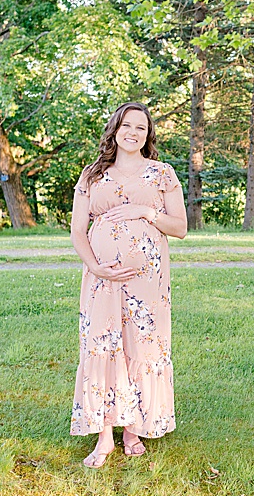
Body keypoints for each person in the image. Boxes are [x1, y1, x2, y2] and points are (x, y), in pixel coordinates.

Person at [69, 102, 187, 468]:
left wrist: (146, 212)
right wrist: (96, 267)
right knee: (103, 345)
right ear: (115, 129)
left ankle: (133, 429)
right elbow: (77, 231)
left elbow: (180, 227)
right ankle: (105, 436)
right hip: (102, 278)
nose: (133, 132)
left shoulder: (162, 173)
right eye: (127, 125)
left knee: (141, 345)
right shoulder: (92, 174)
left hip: (147, 280)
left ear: (147, 135)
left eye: (141, 127)